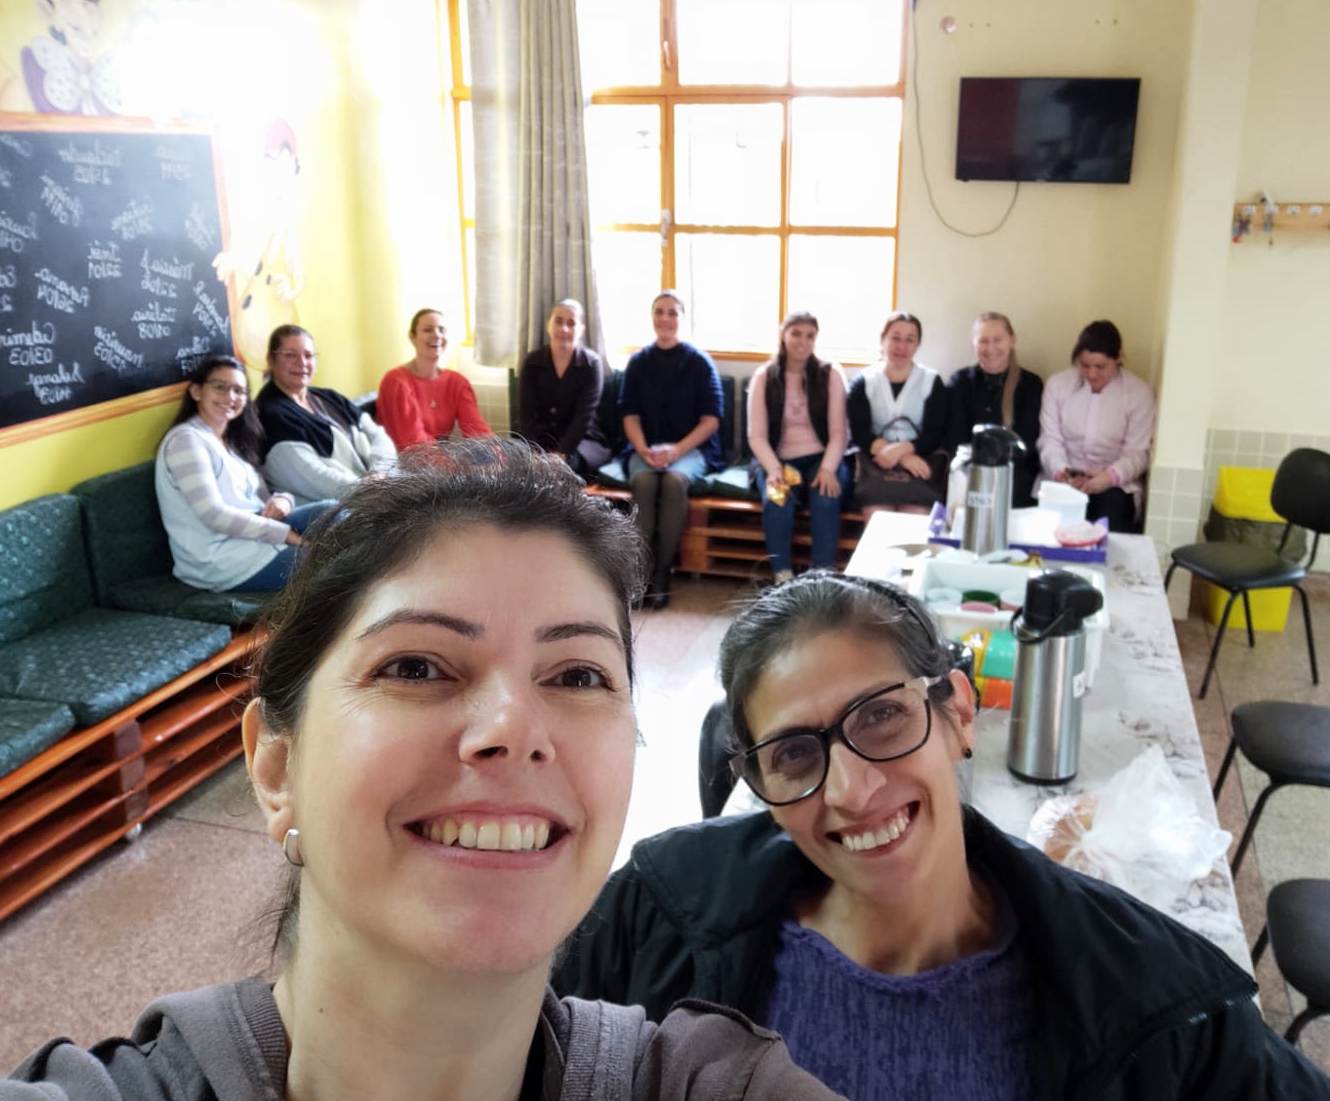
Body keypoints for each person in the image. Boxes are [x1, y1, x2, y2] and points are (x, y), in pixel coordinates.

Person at [5, 442, 840, 1101]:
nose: (513, 728)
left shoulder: (708, 1082)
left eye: (578, 675)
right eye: (414, 666)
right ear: (275, 763)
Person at [555, 573, 1330, 1100]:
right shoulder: (656, 912)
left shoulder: (1149, 993)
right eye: (795, 753)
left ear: (958, 711)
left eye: (881, 715)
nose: (851, 789)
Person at [154, 356, 332, 593]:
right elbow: (213, 515)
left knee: (335, 511)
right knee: (333, 565)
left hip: (254, 535)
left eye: (239, 391)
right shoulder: (185, 441)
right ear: (196, 392)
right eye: (220, 387)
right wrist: (285, 534)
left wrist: (283, 500)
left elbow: (264, 496)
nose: (230, 397)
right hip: (221, 559)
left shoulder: (231, 440)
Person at [620, 291, 724, 609]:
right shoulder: (638, 362)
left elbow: (711, 420)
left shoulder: (699, 363)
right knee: (645, 482)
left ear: (682, 318)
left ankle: (663, 573)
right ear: (652, 317)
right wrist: (643, 449)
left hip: (690, 450)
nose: (665, 318)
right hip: (645, 449)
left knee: (674, 482)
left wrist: (676, 451)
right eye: (659, 312)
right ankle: (641, 574)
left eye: (672, 313)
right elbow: (629, 415)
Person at [746, 311, 850, 584]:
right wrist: (773, 470)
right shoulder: (765, 376)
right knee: (777, 500)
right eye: (796, 334)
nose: (803, 341)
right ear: (783, 335)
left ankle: (821, 576)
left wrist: (828, 469)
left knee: (826, 497)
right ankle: (783, 575)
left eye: (810, 336)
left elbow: (839, 433)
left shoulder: (830, 374)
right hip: (779, 460)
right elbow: (756, 436)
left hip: (821, 459)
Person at [256, 324, 397, 504]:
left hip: (373, 491)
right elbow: (314, 478)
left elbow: (378, 435)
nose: (302, 362)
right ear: (271, 360)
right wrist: (366, 488)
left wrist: (380, 473)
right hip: (333, 508)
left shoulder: (330, 397)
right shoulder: (270, 414)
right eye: (290, 355)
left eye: (308, 355)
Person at [1039, 319, 1156, 532]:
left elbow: (1138, 453)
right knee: (1054, 529)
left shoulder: (1138, 393)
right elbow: (1050, 439)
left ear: (1118, 358)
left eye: (1100, 367)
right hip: (1065, 480)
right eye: (1084, 365)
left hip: (1115, 486)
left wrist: (1110, 477)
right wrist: (1061, 471)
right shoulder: (1058, 385)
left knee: (1108, 524)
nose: (1091, 374)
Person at [847, 312, 948, 515]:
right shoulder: (864, 381)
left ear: (917, 345)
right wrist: (900, 457)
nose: (902, 346)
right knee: (878, 517)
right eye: (895, 338)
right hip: (875, 463)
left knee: (915, 515)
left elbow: (935, 433)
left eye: (910, 340)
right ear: (883, 340)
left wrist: (904, 451)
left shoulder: (931, 381)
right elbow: (859, 432)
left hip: (920, 461)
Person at [945, 311, 1042, 507]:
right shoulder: (960, 382)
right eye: (983, 341)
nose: (990, 348)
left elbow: (1027, 442)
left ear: (1012, 340)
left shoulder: (1031, 385)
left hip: (1014, 476)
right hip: (969, 473)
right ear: (973, 344)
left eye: (997, 340)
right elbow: (955, 439)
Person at [517, 299, 611, 477]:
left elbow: (583, 417)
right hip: (541, 438)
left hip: (581, 441)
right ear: (548, 325)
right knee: (524, 468)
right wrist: (534, 452)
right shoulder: (532, 362)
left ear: (581, 329)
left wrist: (562, 454)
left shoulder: (592, 364)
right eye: (558, 321)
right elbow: (526, 414)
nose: (564, 329)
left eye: (571, 323)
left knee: (563, 470)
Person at [377, 308, 492, 449]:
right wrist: (454, 460)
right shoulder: (396, 382)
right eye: (428, 330)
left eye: (441, 330)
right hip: (405, 460)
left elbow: (478, 430)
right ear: (413, 337)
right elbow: (412, 443)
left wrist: (495, 453)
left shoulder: (457, 382)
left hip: (439, 457)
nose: (437, 335)